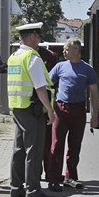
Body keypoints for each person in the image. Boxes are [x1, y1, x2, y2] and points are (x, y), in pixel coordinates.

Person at [7, 22, 57, 197]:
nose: (39, 39)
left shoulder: (14, 57)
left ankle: (15, 189)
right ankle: (34, 191)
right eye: (37, 36)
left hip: (18, 107)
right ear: (31, 36)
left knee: (19, 149)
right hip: (32, 109)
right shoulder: (32, 58)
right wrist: (50, 111)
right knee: (33, 151)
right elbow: (40, 88)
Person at [46, 38, 99, 192]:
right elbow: (46, 83)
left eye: (66, 49)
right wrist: (48, 108)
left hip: (79, 111)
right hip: (61, 109)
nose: (63, 52)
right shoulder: (60, 66)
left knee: (75, 146)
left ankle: (71, 177)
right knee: (56, 145)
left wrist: (95, 116)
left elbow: (95, 93)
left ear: (76, 50)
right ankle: (54, 179)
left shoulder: (87, 69)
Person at [36, 45, 58, 179]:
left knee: (47, 143)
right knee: (35, 144)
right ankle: (35, 174)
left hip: (46, 105)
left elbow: (53, 82)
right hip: (30, 105)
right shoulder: (25, 56)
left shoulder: (50, 56)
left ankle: (49, 173)